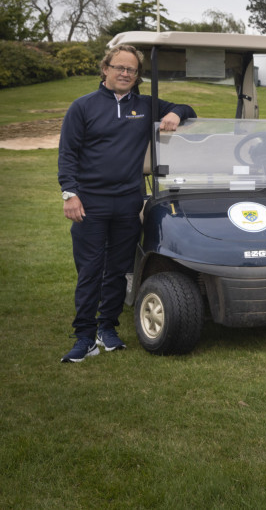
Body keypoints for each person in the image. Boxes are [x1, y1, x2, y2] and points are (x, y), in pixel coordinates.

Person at [58, 45, 196, 363]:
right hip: (89, 202)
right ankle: (84, 336)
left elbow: (185, 108)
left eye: (131, 70)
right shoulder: (83, 107)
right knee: (91, 269)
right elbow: (67, 154)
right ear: (105, 68)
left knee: (119, 270)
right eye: (119, 67)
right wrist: (70, 194)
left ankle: (107, 328)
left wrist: (175, 113)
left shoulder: (145, 106)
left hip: (128, 202)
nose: (124, 74)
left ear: (137, 76)